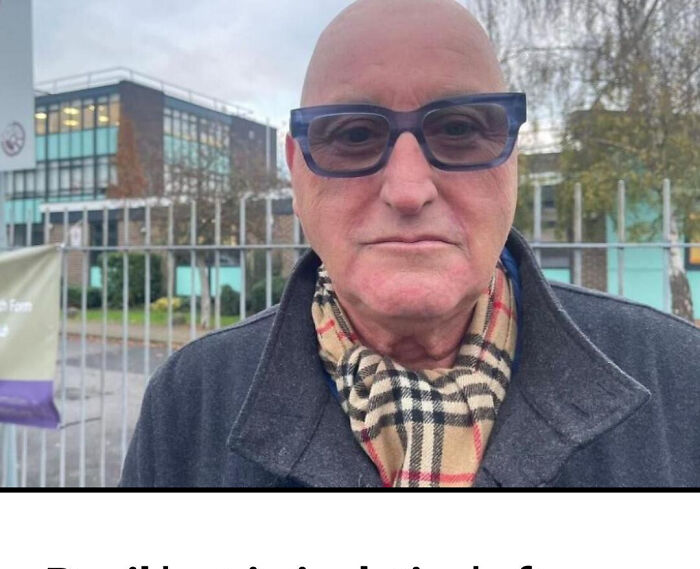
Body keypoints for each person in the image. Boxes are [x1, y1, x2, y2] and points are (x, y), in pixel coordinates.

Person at [120, 0, 700, 488]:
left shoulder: (680, 380)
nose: (407, 189)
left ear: (513, 161)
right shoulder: (190, 402)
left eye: (459, 129)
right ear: (296, 173)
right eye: (351, 134)